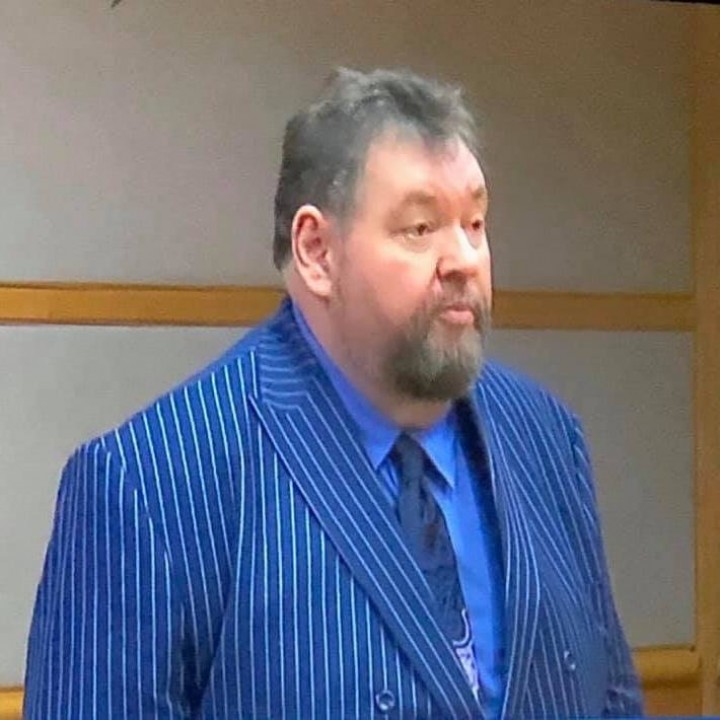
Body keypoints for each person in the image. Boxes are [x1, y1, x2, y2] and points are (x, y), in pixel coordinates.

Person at [23, 67, 643, 719]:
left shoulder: (546, 437)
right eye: (421, 228)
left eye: (476, 223)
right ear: (317, 251)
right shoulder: (153, 484)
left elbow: (612, 699)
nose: (464, 259)